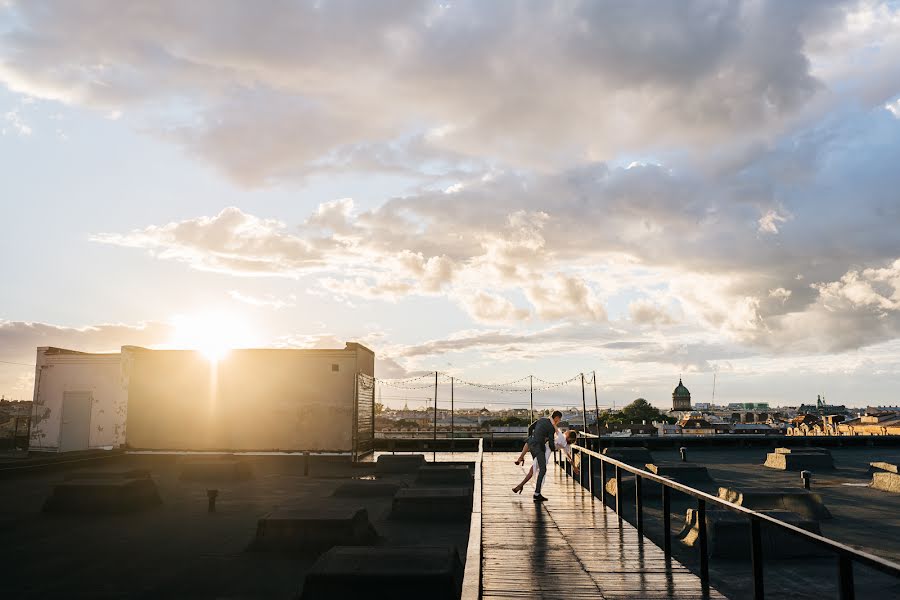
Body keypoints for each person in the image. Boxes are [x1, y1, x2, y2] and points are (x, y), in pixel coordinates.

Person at [512, 428, 577, 495]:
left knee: (533, 469)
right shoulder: (566, 445)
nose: (566, 432)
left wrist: (551, 420)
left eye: (567, 432)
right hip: (544, 450)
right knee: (530, 443)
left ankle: (524, 486)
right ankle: (522, 485)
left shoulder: (562, 438)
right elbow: (568, 457)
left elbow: (554, 427)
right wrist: (574, 466)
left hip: (544, 452)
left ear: (568, 436)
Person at [520, 410, 561, 502]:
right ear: (557, 418)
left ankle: (521, 486)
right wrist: (556, 448)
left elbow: (530, 428)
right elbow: (551, 443)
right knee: (542, 469)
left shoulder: (541, 419)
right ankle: (537, 493)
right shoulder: (551, 427)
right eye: (559, 420)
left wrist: (531, 438)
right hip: (539, 447)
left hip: (531, 444)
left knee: (536, 466)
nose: (559, 422)